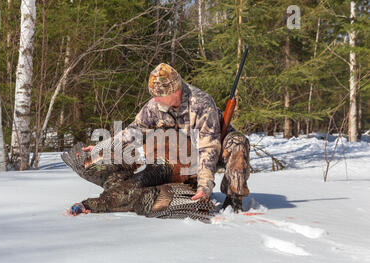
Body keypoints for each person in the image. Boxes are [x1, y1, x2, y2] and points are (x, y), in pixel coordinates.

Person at [81, 63, 250, 212]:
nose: (155, 98)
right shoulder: (154, 106)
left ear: (175, 91)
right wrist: (102, 148)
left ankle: (234, 199)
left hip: (212, 149)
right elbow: (133, 131)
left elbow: (209, 149)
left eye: (160, 94)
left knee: (238, 143)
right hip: (184, 157)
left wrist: (205, 187)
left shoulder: (201, 104)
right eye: (154, 94)